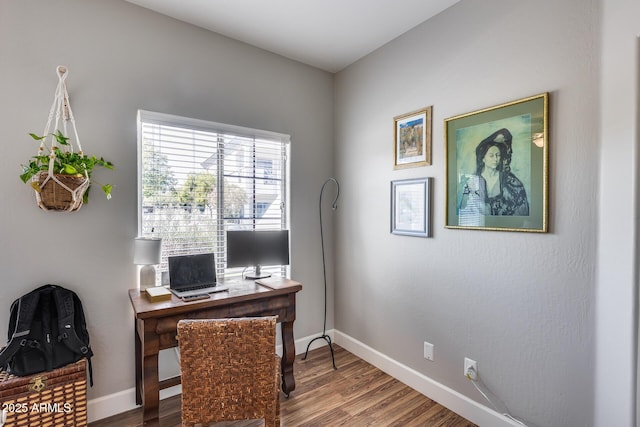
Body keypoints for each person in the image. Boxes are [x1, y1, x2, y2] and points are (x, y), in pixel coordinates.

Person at [473, 128, 529, 216]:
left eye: (498, 155)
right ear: (483, 158)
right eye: (491, 155)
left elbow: (523, 216)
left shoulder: (514, 185)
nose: (496, 159)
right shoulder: (472, 183)